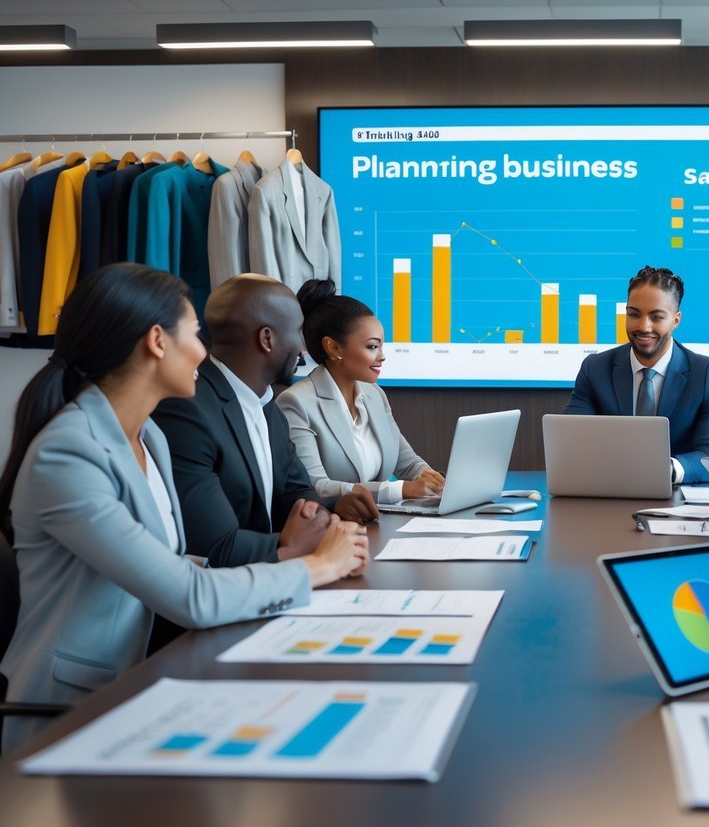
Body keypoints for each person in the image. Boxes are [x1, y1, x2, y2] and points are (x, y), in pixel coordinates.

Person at [0, 264, 368, 752]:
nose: (205, 349)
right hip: (75, 715)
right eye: (195, 333)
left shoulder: (147, 436)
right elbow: (189, 595)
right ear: (157, 341)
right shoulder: (68, 455)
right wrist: (317, 566)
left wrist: (282, 560)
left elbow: (174, 565)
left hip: (149, 685)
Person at [153, 274, 375, 568]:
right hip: (229, 594)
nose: (303, 347)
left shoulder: (267, 403)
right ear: (267, 339)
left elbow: (297, 495)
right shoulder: (187, 411)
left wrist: (333, 508)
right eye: (298, 332)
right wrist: (295, 545)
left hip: (275, 579)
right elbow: (215, 546)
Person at [277, 279, 445, 518]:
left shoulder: (374, 395)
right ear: (333, 348)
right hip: (332, 532)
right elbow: (317, 486)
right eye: (372, 347)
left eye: (381, 346)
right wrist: (401, 489)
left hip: (378, 523)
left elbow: (407, 462)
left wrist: (434, 482)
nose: (382, 356)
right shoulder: (296, 402)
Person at [563, 266, 709, 485]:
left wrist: (665, 470)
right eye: (634, 314)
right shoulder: (595, 369)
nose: (643, 326)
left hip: (676, 500)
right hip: (608, 491)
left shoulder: (705, 373)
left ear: (676, 320)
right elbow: (572, 443)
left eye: (656, 317)